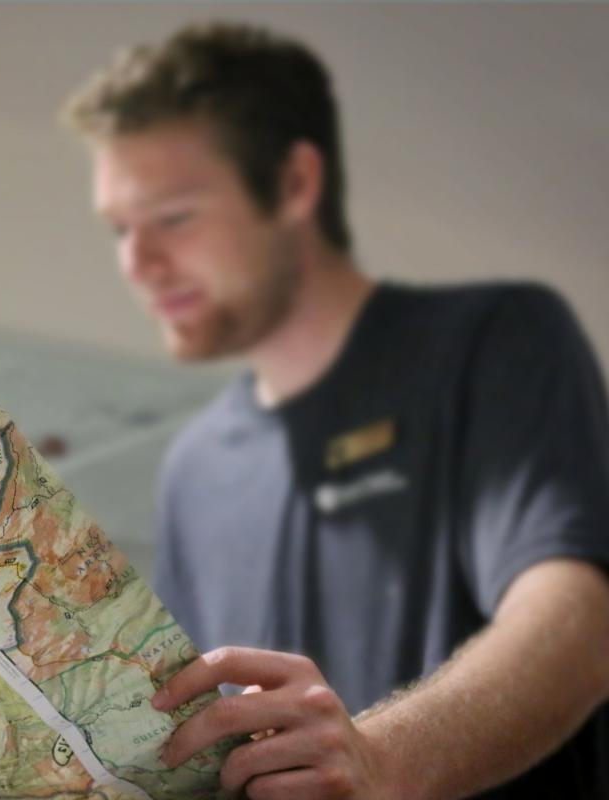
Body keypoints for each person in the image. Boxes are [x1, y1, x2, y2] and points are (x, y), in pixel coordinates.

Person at [62, 22, 609, 800]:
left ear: (293, 184)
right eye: (120, 229)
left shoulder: (495, 338)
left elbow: (579, 625)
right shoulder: (195, 465)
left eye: (174, 217)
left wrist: (378, 758)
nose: (136, 264)